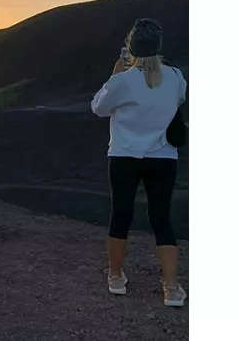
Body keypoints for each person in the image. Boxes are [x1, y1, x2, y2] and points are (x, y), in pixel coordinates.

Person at [91, 18, 187, 308]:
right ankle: (171, 287)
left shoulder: (122, 80)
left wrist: (114, 75)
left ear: (130, 47)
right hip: (163, 157)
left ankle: (117, 276)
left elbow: (99, 108)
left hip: (124, 156)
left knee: (121, 215)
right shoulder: (175, 76)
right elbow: (179, 99)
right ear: (157, 47)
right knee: (162, 220)